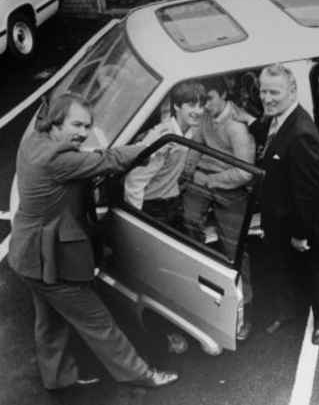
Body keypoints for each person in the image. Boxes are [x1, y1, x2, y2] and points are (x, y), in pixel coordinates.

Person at [8, 93, 178, 389]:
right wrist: (151, 145)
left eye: (87, 126)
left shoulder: (36, 140)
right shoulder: (57, 159)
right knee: (98, 323)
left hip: (27, 255)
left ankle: (58, 377)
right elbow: (108, 160)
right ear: (56, 122)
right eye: (77, 125)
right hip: (51, 261)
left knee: (50, 321)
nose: (83, 133)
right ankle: (141, 375)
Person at [258, 63, 319, 345]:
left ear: (292, 91)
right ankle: (287, 312)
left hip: (308, 219)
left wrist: (301, 234)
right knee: (282, 265)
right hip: (281, 215)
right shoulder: (275, 117)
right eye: (263, 91)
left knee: (316, 269)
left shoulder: (302, 132)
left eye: (274, 92)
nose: (267, 98)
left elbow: (307, 191)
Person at [181, 77, 255, 338]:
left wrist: (211, 181)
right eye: (201, 100)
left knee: (235, 248)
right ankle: (203, 285)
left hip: (228, 186)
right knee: (187, 222)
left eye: (209, 98)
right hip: (202, 180)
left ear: (223, 95)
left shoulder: (237, 127)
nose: (204, 105)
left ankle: (244, 309)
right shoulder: (204, 117)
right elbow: (195, 147)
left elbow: (245, 172)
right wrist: (187, 174)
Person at [124, 81, 206, 225]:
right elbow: (135, 180)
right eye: (192, 105)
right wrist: (136, 219)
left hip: (172, 201)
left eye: (201, 105)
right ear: (176, 106)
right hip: (154, 206)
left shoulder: (190, 131)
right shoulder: (164, 137)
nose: (198, 111)